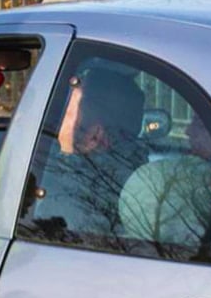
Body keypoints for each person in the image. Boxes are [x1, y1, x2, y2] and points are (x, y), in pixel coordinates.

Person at [30, 67, 148, 237]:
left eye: (68, 112)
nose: (58, 120)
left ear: (95, 135)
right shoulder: (128, 177)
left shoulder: (69, 194)